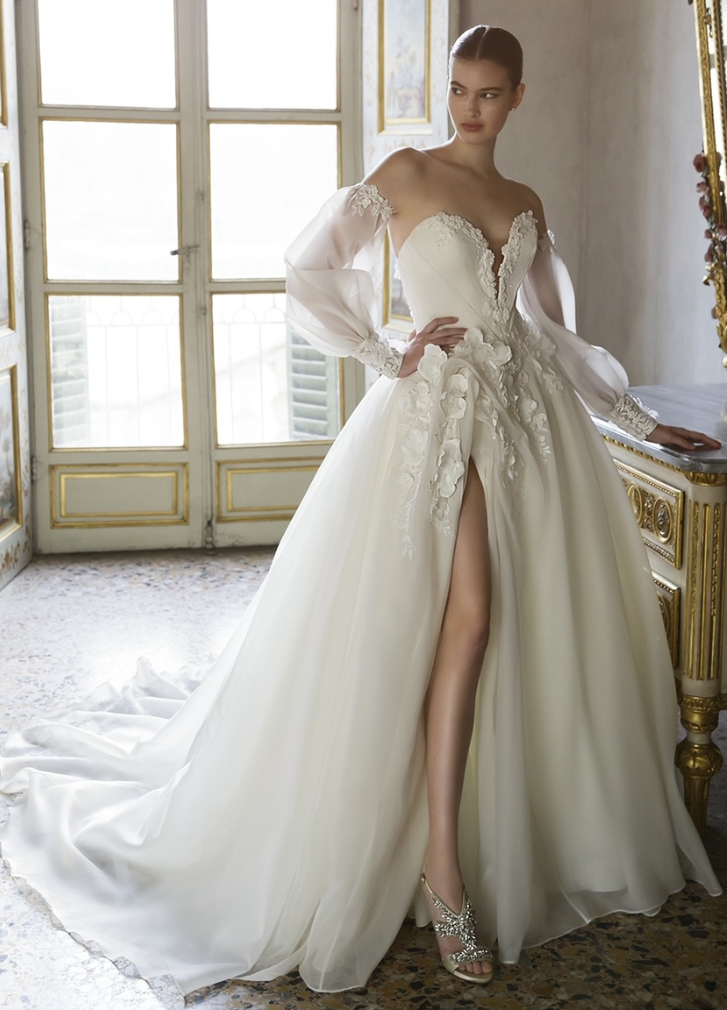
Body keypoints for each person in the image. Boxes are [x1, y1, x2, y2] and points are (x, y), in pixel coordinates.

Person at [0, 24, 722, 998]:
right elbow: (308, 268)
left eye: (488, 91)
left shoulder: (523, 201)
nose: (468, 106)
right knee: (468, 619)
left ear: (518, 96)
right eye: (459, 88)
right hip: (435, 421)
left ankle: (487, 834)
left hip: (526, 428)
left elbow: (550, 334)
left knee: (513, 626)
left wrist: (638, 419)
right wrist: (387, 350)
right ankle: (444, 870)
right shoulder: (404, 173)